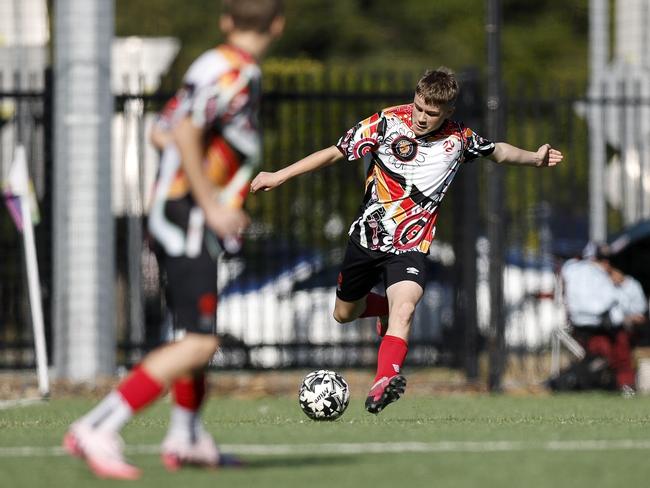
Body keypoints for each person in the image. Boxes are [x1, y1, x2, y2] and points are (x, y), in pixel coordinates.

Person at [250, 67, 563, 414]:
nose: (422, 117)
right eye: (419, 107)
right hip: (366, 241)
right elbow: (334, 152)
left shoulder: (459, 139)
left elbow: (499, 151)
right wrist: (279, 175)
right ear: (414, 98)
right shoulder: (386, 123)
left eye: (432, 113)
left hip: (411, 247)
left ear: (448, 113)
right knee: (343, 314)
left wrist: (535, 158)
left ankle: (384, 380)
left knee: (406, 307)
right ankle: (381, 309)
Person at [62, 0, 285, 480]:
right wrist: (212, 205)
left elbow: (163, 132)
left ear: (226, 20)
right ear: (278, 25)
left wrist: (216, 189)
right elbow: (183, 131)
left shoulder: (207, 63)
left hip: (172, 212)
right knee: (201, 343)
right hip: (188, 219)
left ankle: (185, 436)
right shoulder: (237, 74)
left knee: (191, 333)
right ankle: (97, 426)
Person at [560, 243, 647, 392]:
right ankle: (623, 387)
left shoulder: (573, 270)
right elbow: (605, 304)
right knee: (612, 353)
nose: (606, 264)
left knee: (617, 351)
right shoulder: (590, 273)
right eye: (602, 260)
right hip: (594, 327)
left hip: (596, 325)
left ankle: (621, 387)